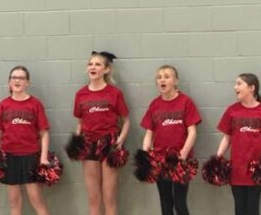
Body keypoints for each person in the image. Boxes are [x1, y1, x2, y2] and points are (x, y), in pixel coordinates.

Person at [73, 52, 129, 215]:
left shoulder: (114, 93)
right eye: (90, 64)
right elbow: (80, 123)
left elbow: (126, 121)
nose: (93, 67)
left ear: (106, 70)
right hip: (88, 143)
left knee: (109, 197)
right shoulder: (80, 94)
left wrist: (120, 141)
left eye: (97, 64)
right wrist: (77, 142)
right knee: (93, 197)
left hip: (109, 144)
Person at [140, 66, 200, 215]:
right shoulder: (155, 105)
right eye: (159, 77)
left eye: (167, 76)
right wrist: (146, 154)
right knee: (165, 203)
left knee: (180, 203)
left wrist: (183, 154)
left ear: (175, 81)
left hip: (181, 160)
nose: (162, 80)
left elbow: (192, 131)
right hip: (161, 160)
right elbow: (149, 133)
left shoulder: (186, 102)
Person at [215, 73, 261, 215]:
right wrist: (217, 158)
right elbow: (226, 138)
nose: (235, 87)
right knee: (239, 209)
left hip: (256, 170)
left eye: (239, 84)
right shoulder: (232, 111)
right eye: (235, 84)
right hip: (237, 168)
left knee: (253, 209)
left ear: (251, 88)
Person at [0, 66, 51, 215]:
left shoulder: (35, 104)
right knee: (14, 202)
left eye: (21, 78)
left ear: (27, 83)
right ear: (9, 82)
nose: (17, 80)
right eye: (14, 77)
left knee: (37, 200)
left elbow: (44, 133)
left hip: (30, 155)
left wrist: (43, 158)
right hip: (9, 157)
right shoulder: (3, 105)